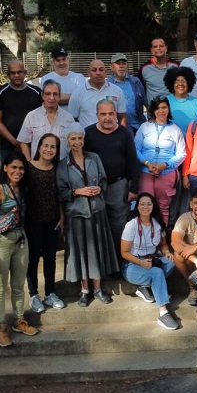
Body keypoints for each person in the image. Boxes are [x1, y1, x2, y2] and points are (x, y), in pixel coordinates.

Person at [56, 124, 120, 306]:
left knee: (96, 251)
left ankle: (98, 289)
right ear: (67, 142)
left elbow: (104, 181)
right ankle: (85, 290)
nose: (77, 142)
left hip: (97, 211)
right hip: (77, 214)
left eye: (80, 138)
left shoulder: (94, 158)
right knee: (83, 253)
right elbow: (60, 192)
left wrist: (100, 188)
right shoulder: (63, 165)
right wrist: (77, 192)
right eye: (73, 139)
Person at [0, 152, 40, 347]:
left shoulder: (22, 189)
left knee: (18, 284)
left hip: (21, 239)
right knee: (0, 288)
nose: (18, 171)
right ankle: (1, 326)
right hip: (1, 242)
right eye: (14, 167)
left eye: (21, 168)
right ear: (5, 168)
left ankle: (19, 320)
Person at [84, 100, 141, 251]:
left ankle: (119, 259)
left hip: (118, 185)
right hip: (95, 187)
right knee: (97, 225)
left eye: (111, 113)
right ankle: (101, 261)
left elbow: (132, 161)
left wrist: (134, 188)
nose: (107, 118)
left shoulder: (124, 133)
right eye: (103, 114)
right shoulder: (88, 133)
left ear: (116, 114)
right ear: (97, 115)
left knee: (119, 225)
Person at [120, 192, 180, 330]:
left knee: (172, 262)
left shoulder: (157, 223)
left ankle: (145, 286)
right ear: (137, 206)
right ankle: (163, 313)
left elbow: (163, 245)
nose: (145, 207)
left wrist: (167, 252)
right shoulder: (131, 225)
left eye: (148, 204)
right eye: (142, 204)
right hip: (132, 265)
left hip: (151, 260)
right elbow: (124, 253)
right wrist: (141, 263)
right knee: (157, 273)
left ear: (153, 206)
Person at [23, 134, 66, 313]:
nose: (49, 149)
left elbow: (60, 196)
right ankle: (34, 295)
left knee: (50, 258)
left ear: (57, 151)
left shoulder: (58, 170)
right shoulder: (28, 168)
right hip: (32, 221)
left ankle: (50, 293)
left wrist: (62, 217)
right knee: (33, 258)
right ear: (39, 148)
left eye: (53, 147)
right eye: (45, 145)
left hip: (52, 220)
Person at [134, 96, 186, 226]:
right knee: (145, 206)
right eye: (157, 108)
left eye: (164, 107)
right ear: (152, 111)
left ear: (168, 109)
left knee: (163, 206)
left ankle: (162, 234)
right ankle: (146, 235)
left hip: (166, 172)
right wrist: (146, 163)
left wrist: (165, 165)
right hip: (146, 171)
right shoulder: (144, 127)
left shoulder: (175, 129)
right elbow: (135, 149)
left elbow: (181, 153)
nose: (161, 111)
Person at [0, 59, 42, 161]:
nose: (16, 75)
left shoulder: (36, 92)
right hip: (8, 146)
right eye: (13, 73)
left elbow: (43, 118)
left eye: (19, 72)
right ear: (8, 75)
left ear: (25, 72)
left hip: (33, 145)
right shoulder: (0, 93)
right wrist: (15, 142)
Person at [16, 80, 77, 162]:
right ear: (42, 95)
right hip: (38, 165)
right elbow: (23, 142)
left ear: (59, 96)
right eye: (48, 94)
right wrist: (29, 163)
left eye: (55, 94)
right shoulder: (32, 116)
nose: (51, 97)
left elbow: (74, 142)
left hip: (62, 165)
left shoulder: (68, 118)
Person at [68, 59, 127, 128]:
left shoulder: (117, 91)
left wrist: (123, 133)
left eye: (101, 70)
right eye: (94, 70)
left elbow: (122, 117)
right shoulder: (78, 93)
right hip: (87, 134)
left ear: (106, 72)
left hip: (112, 134)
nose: (98, 73)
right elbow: (72, 119)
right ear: (88, 72)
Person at [108, 52, 147, 135]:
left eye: (124, 63)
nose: (121, 66)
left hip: (138, 127)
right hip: (117, 129)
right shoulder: (107, 85)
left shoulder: (136, 82)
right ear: (111, 67)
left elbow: (145, 103)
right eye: (118, 63)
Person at [40, 47, 85, 112]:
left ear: (68, 60)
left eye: (64, 59)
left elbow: (82, 98)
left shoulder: (79, 77)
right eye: (58, 60)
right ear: (52, 62)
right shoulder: (46, 78)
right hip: (54, 117)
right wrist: (75, 97)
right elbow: (50, 99)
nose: (61, 63)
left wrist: (58, 97)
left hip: (75, 117)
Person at [140, 37, 178, 104]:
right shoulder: (144, 68)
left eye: (161, 46)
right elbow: (141, 90)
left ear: (166, 48)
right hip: (153, 109)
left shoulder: (176, 66)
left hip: (173, 107)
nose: (158, 48)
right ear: (151, 50)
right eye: (155, 47)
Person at [164, 66, 197, 132]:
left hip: (192, 138)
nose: (180, 84)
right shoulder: (165, 101)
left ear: (188, 83)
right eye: (177, 81)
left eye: (183, 81)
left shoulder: (196, 103)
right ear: (172, 84)